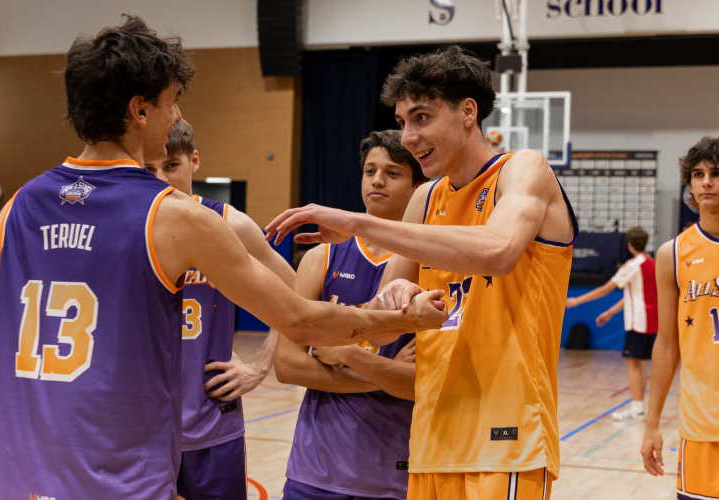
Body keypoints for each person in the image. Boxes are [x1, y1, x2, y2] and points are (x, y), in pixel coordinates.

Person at [0, 16, 446, 500]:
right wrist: (400, 320)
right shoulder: (173, 215)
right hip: (121, 483)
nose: (177, 116)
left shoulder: (17, 207)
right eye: (172, 102)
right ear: (140, 110)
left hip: (18, 480)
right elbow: (303, 320)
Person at [266, 45, 577, 500]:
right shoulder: (425, 199)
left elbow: (497, 250)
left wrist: (359, 222)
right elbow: (384, 308)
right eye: (402, 121)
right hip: (429, 440)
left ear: (467, 112)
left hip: (506, 439)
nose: (409, 136)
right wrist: (372, 316)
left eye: (422, 118)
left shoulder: (522, 169)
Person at [144, 119, 295, 499]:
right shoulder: (128, 225)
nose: (161, 179)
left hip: (212, 427)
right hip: (140, 432)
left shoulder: (229, 224)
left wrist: (260, 366)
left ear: (194, 161)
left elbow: (298, 291)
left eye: (171, 166)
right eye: (149, 169)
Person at [275, 130, 428, 500]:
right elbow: (287, 366)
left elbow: (421, 385)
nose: (377, 180)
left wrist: (343, 353)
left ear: (419, 186)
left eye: (393, 173)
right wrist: (381, 375)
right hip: (316, 467)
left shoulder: (431, 265)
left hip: (398, 470)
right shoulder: (321, 258)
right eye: (369, 170)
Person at [640, 137, 719, 500]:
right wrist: (652, 425)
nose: (706, 181)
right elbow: (666, 345)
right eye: (698, 174)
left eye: (718, 173)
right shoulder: (672, 254)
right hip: (702, 427)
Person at [565, 226, 658, 421]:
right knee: (639, 363)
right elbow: (632, 295)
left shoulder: (632, 266)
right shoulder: (652, 264)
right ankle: (639, 407)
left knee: (633, 364)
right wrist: (610, 312)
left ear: (629, 244)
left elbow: (606, 289)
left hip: (637, 321)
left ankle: (636, 408)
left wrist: (577, 300)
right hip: (650, 321)